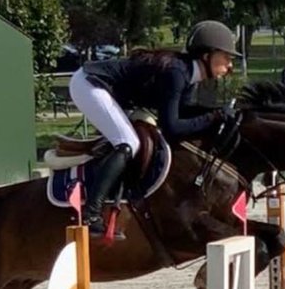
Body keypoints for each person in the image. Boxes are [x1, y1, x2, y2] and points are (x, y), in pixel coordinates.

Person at [68, 20, 242, 237]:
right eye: (226, 57)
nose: (230, 65)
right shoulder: (177, 73)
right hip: (90, 84)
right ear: (207, 55)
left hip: (107, 90)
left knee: (130, 141)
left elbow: (185, 112)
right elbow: (172, 127)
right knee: (128, 142)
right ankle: (91, 213)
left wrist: (218, 113)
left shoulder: (188, 75)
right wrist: (214, 115)